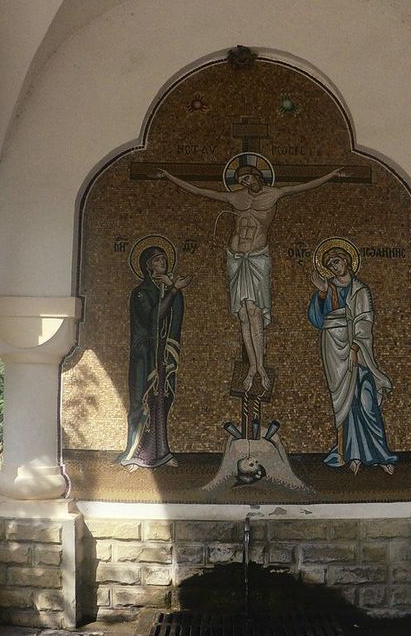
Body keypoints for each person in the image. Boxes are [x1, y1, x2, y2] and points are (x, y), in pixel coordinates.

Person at [159, 153, 342, 392]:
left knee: (256, 312)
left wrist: (332, 175)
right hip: (235, 257)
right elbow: (202, 191)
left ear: (256, 175)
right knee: (243, 314)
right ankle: (253, 367)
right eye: (241, 181)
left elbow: (305, 185)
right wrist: (170, 177)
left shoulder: (274, 194)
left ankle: (260, 367)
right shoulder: (236, 197)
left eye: (247, 178)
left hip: (257, 258)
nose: (245, 183)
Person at [307, 239, 396, 473]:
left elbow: (365, 320)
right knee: (346, 402)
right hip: (332, 346)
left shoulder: (360, 290)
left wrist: (356, 347)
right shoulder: (328, 287)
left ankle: (380, 453)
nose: (334, 267)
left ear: (346, 260)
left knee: (366, 398)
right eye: (330, 265)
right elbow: (317, 319)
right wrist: (322, 293)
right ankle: (351, 453)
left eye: (336, 261)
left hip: (356, 348)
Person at [120, 242, 187, 469]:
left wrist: (172, 290)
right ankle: (133, 453)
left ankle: (161, 452)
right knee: (141, 400)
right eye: (157, 260)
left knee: (162, 399)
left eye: (164, 259)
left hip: (163, 354)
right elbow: (155, 317)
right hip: (145, 354)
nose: (163, 263)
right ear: (148, 266)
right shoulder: (140, 293)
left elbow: (175, 314)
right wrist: (173, 290)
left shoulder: (164, 290)